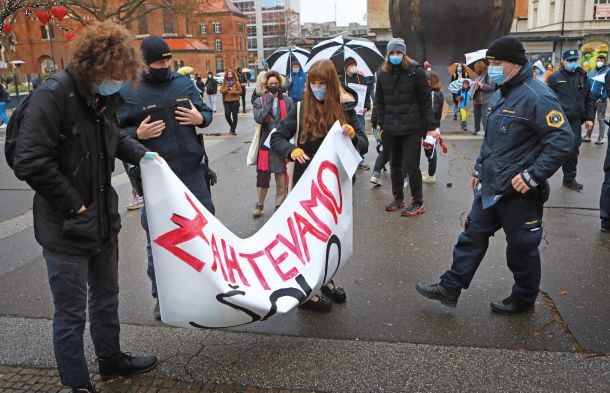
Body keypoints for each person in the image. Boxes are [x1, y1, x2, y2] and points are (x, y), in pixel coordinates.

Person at [11, 21, 159, 392]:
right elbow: (30, 161)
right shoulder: (54, 96)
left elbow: (112, 137)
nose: (120, 82)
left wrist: (144, 156)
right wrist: (74, 205)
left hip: (102, 219)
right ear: (96, 65)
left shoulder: (101, 97)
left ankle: (110, 360)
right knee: (71, 313)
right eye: (116, 75)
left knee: (107, 298)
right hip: (66, 224)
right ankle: (77, 383)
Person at [416, 36, 573, 315]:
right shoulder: (501, 92)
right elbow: (493, 141)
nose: (492, 68)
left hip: (519, 191)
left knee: (521, 249)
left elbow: (562, 141)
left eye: (497, 63)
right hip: (491, 185)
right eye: (490, 62)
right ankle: (449, 288)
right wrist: (479, 168)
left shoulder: (538, 96)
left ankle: (523, 299)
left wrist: (532, 176)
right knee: (471, 236)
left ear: (515, 64)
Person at [117, 36, 215, 319]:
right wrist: (137, 135)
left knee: (204, 231)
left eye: (168, 60)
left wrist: (201, 119)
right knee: (159, 239)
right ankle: (163, 296)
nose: (164, 66)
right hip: (157, 178)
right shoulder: (129, 91)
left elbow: (207, 113)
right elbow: (113, 134)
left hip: (193, 172)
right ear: (144, 63)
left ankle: (207, 286)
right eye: (159, 62)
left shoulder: (184, 84)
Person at [271, 59, 368, 312]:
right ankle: (307, 292)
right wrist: (292, 151)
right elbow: (277, 137)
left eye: (322, 83)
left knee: (332, 237)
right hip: (308, 189)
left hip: (337, 187)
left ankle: (326, 279)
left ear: (331, 84)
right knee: (310, 239)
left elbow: (364, 145)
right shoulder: (301, 107)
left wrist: (353, 135)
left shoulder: (346, 107)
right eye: (313, 83)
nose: (317, 88)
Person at [376, 38, 436, 217]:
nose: (395, 56)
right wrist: (381, 124)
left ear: (404, 53)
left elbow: (425, 101)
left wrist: (431, 126)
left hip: (412, 127)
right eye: (392, 53)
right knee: (394, 164)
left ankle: (418, 202)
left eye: (398, 52)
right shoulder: (382, 73)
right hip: (390, 127)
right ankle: (398, 197)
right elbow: (380, 101)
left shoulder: (416, 72)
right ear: (387, 54)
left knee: (411, 165)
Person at [547, 49, 595, 191]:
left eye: (575, 60)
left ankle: (569, 178)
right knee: (552, 149)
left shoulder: (582, 76)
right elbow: (548, 100)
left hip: (575, 121)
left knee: (573, 150)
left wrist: (589, 118)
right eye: (570, 61)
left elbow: (589, 98)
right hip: (558, 121)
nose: (573, 63)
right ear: (564, 61)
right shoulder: (554, 78)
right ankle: (539, 177)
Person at [252, 71, 293, 218]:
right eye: (271, 84)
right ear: (266, 85)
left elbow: (292, 122)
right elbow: (259, 118)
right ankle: (259, 204)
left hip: (282, 144)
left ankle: (279, 205)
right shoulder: (259, 101)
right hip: (266, 146)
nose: (274, 86)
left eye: (276, 84)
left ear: (280, 84)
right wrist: (269, 101)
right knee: (263, 178)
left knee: (281, 178)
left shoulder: (288, 101)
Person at [341, 56, 374, 170]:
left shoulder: (361, 78)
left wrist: (367, 106)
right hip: (346, 112)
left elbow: (367, 93)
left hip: (359, 113)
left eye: (354, 64)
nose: (353, 67)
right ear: (346, 67)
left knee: (360, 134)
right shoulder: (341, 79)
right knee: (347, 135)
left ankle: (360, 159)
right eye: (350, 65)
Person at [423, 71, 445, 183]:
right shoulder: (439, 93)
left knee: (430, 151)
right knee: (430, 150)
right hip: (434, 126)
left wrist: (430, 128)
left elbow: (432, 110)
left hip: (430, 128)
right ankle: (430, 172)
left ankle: (431, 175)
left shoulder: (433, 94)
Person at [586, 54, 608, 144]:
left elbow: (609, 87)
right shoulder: (591, 71)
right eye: (598, 60)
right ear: (596, 61)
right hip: (591, 99)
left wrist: (603, 98)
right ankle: (588, 136)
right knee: (590, 117)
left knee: (601, 119)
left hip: (600, 100)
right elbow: (587, 85)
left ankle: (601, 138)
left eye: (602, 60)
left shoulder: (608, 72)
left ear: (604, 62)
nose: (600, 62)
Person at [471, 61, 495, 135]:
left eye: (476, 67)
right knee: (476, 116)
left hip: (486, 99)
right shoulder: (476, 75)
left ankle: (486, 132)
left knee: (485, 117)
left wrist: (481, 85)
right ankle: (476, 129)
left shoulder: (488, 74)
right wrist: (473, 84)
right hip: (476, 99)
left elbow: (492, 87)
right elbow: (475, 85)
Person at [220, 69, 242, 135]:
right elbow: (221, 90)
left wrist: (233, 92)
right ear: (226, 75)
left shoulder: (236, 82)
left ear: (233, 75)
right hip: (226, 101)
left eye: (231, 74)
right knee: (227, 115)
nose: (229, 75)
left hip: (235, 101)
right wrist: (226, 89)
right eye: (228, 74)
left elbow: (240, 91)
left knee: (235, 116)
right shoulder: (224, 82)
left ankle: (233, 130)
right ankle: (232, 126)